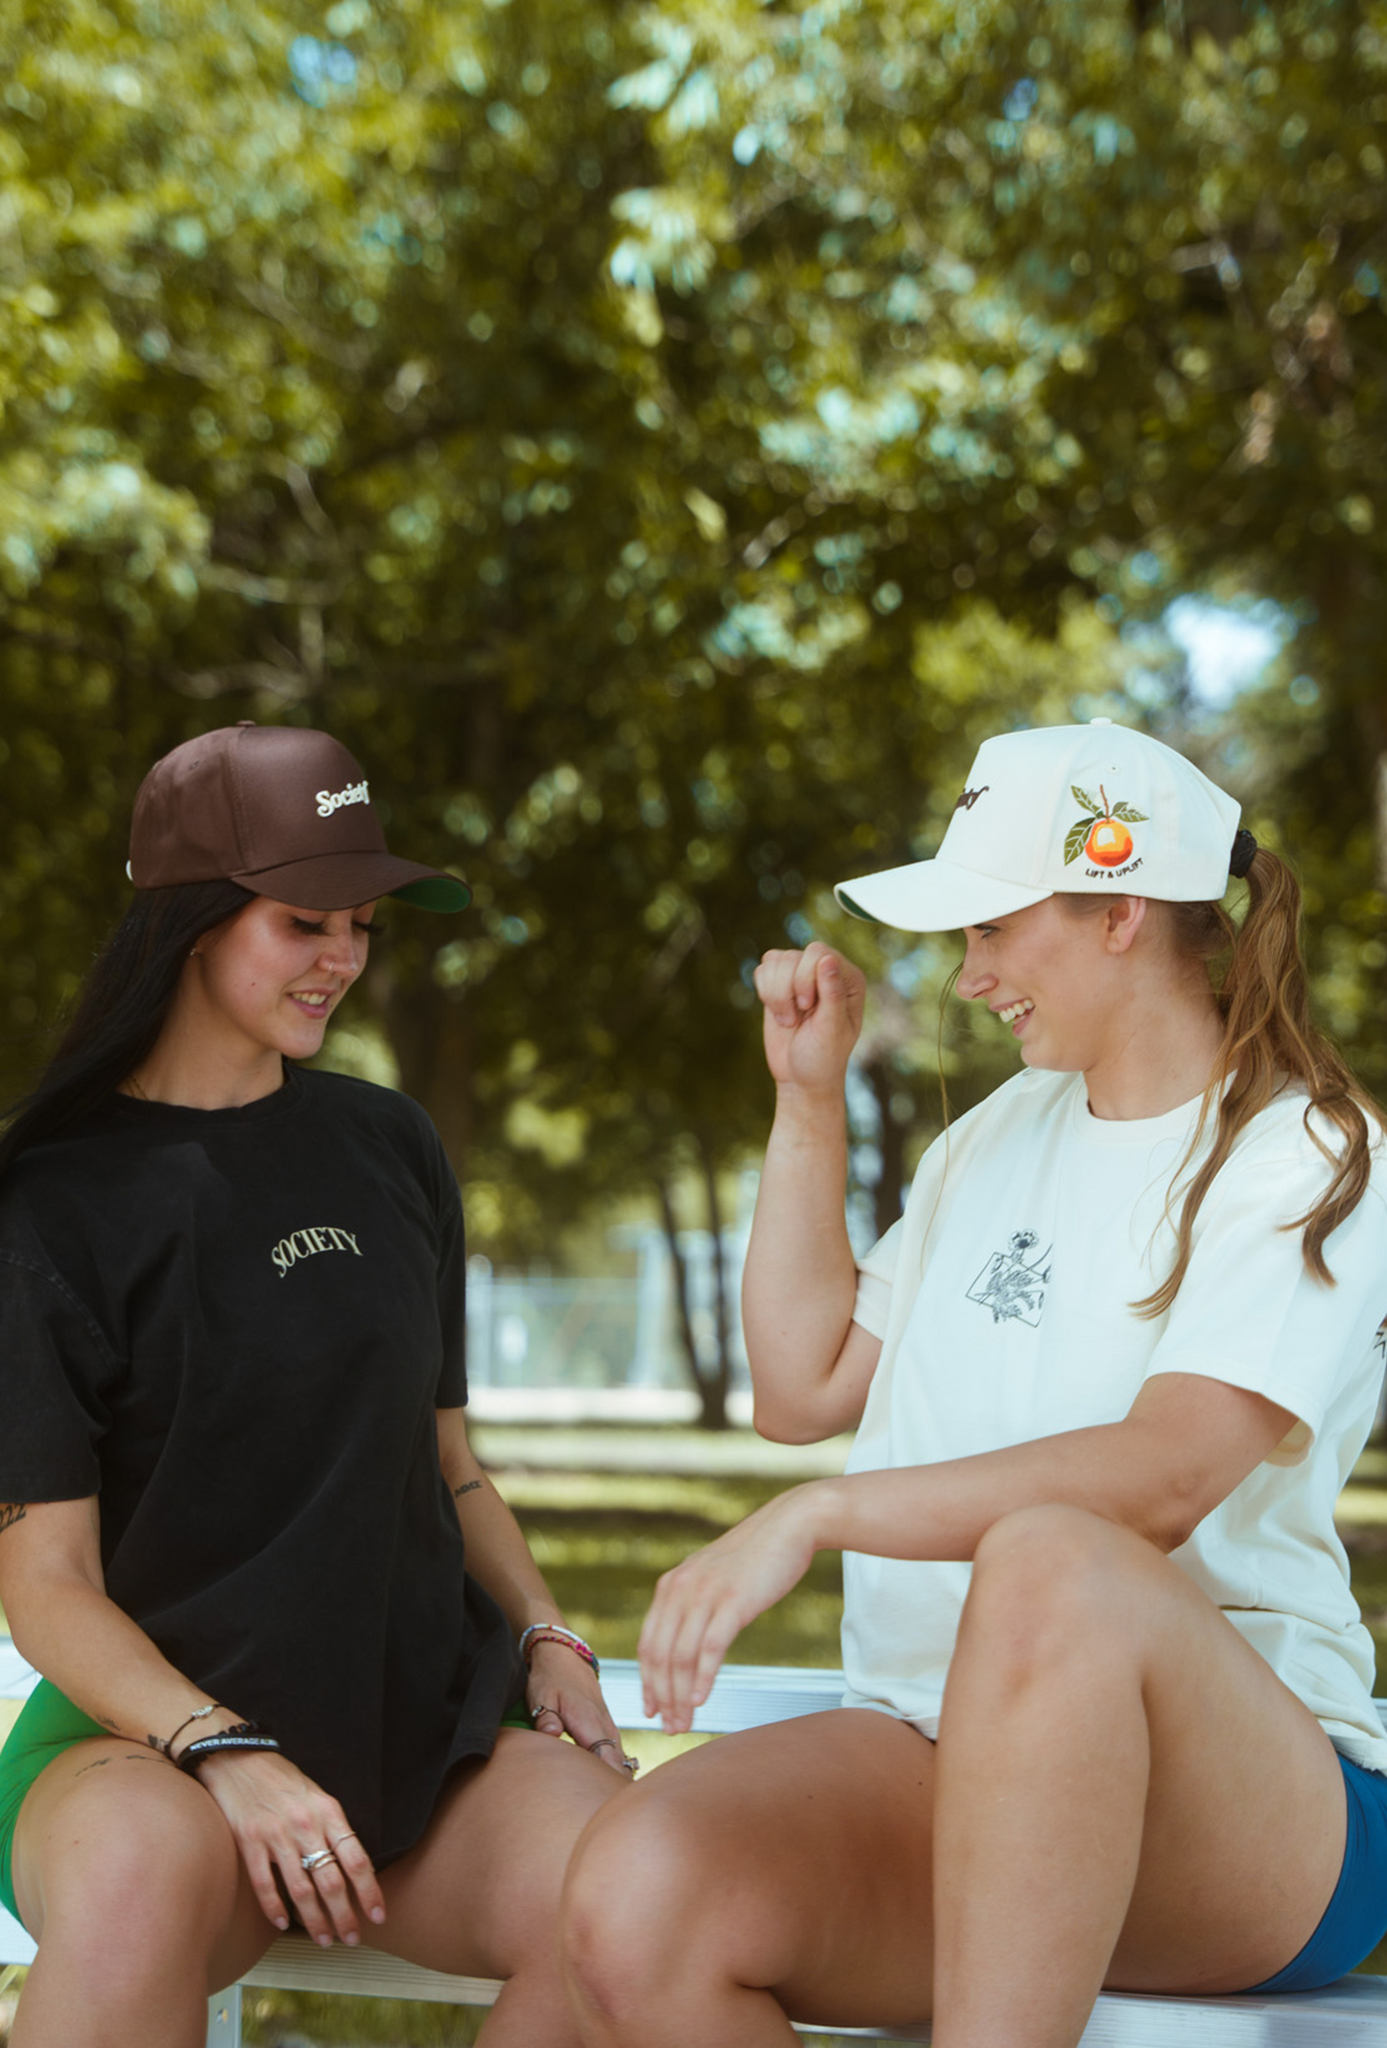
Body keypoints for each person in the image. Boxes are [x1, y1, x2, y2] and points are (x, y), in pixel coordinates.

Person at [562, 720, 1387, 2048]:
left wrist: (816, 1516)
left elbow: (1167, 1474)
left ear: (1118, 910)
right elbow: (802, 1383)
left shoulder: (1304, 1151)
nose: (966, 978)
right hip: (936, 1757)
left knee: (1054, 1558)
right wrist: (805, 1102)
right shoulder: (991, 1137)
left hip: (1253, 1821)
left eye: (991, 931)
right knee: (640, 1898)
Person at [0, 723, 632, 2048]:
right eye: (304, 923)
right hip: (152, 1750)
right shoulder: (45, 1208)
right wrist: (228, 1753)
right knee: (128, 1891)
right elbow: (43, 1581)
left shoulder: (389, 1146)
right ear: (189, 922)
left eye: (361, 927)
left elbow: (447, 1463)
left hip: (420, 1748)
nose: (343, 959)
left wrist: (544, 1630)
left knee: (637, 1902)